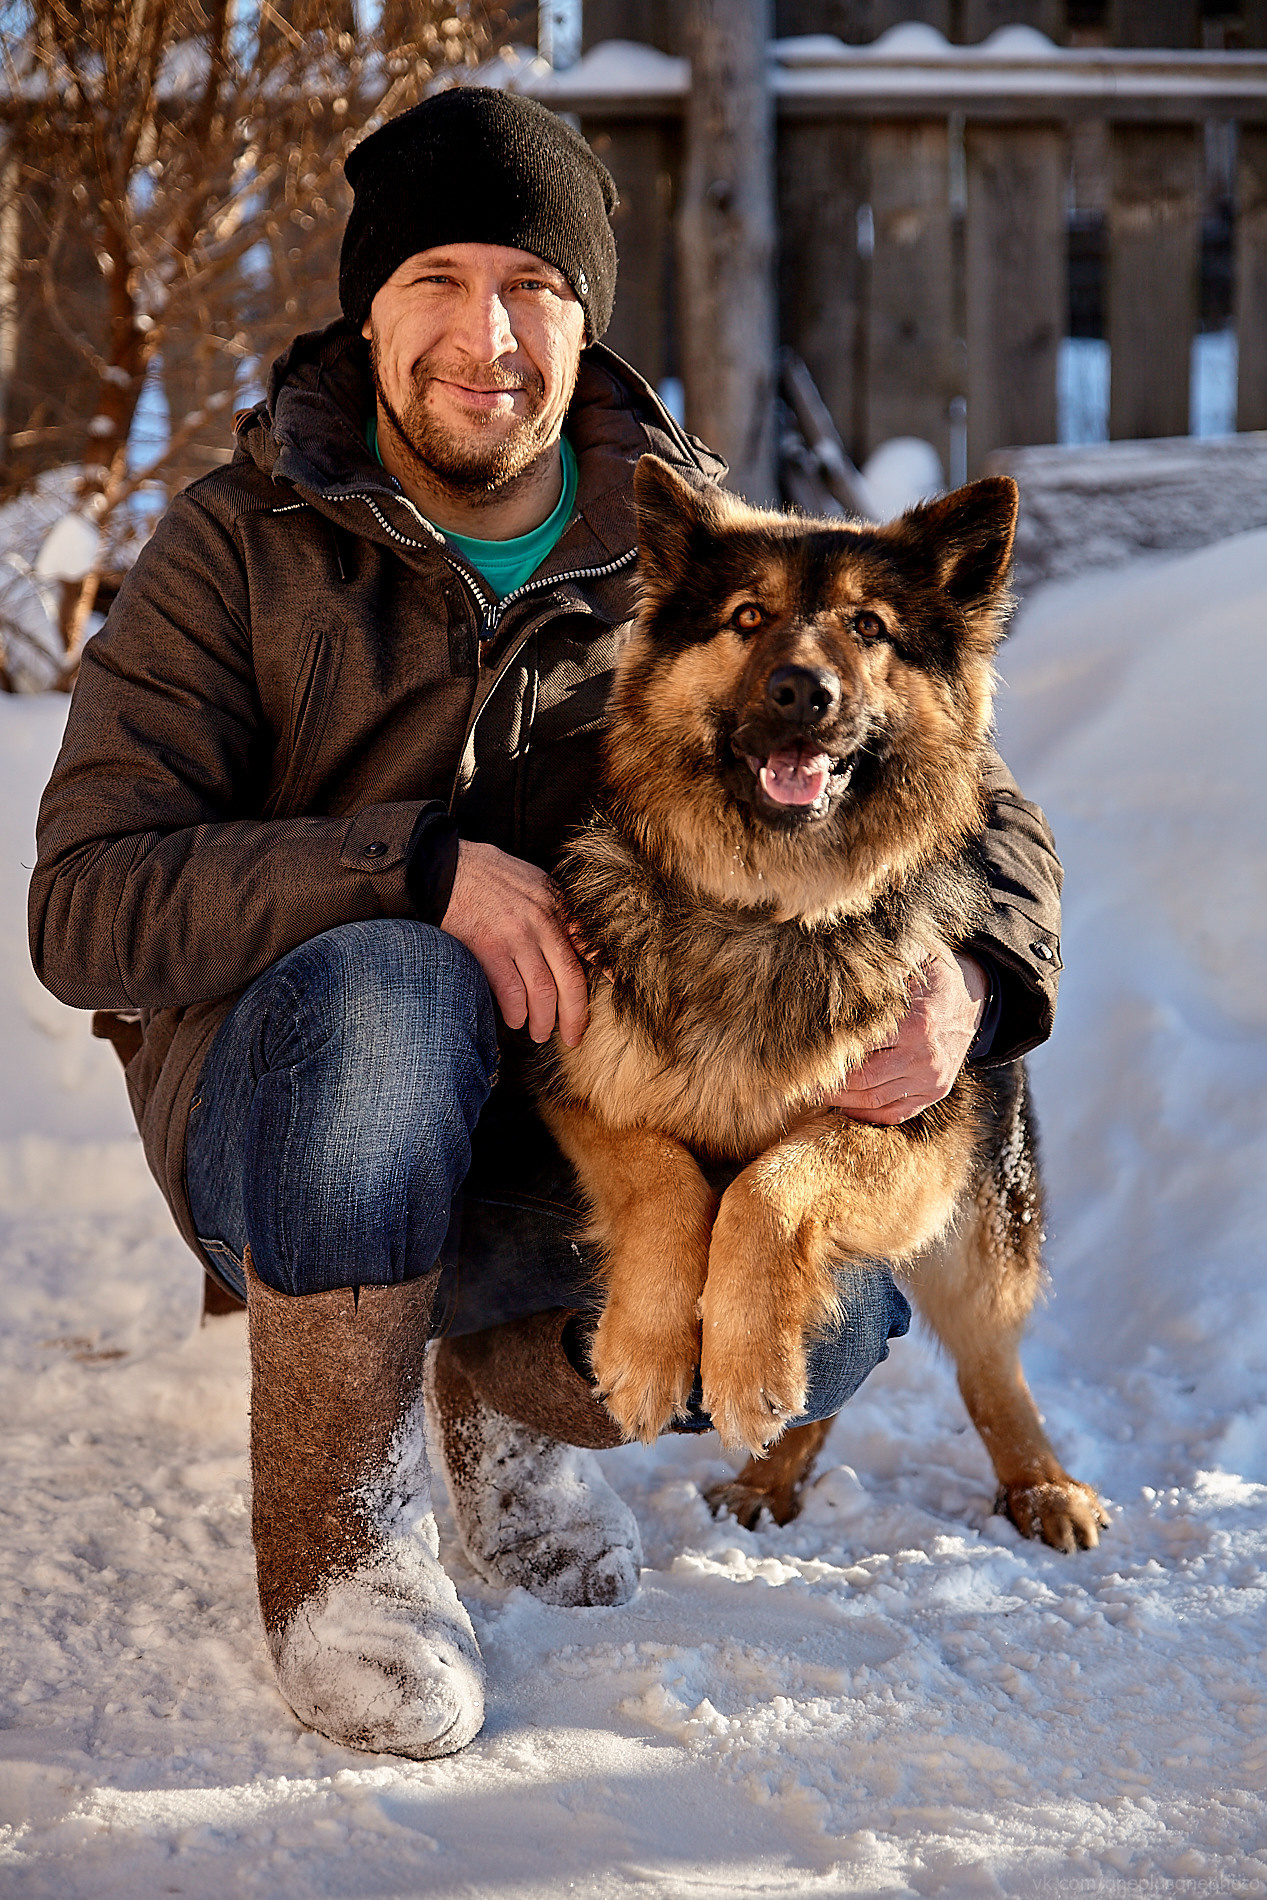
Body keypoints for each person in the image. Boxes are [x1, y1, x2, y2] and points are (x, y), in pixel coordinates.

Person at [28, 87, 1063, 1762]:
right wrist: (414, 870)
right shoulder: (239, 544)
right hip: (294, 1122)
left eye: (533, 287)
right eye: (436, 278)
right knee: (393, 987)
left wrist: (978, 973)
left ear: (584, 320)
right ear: (369, 306)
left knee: (843, 1282)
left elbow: (975, 802)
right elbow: (80, 905)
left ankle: (505, 1421)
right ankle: (347, 1546)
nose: (485, 334)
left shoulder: (685, 536)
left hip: (577, 1123)